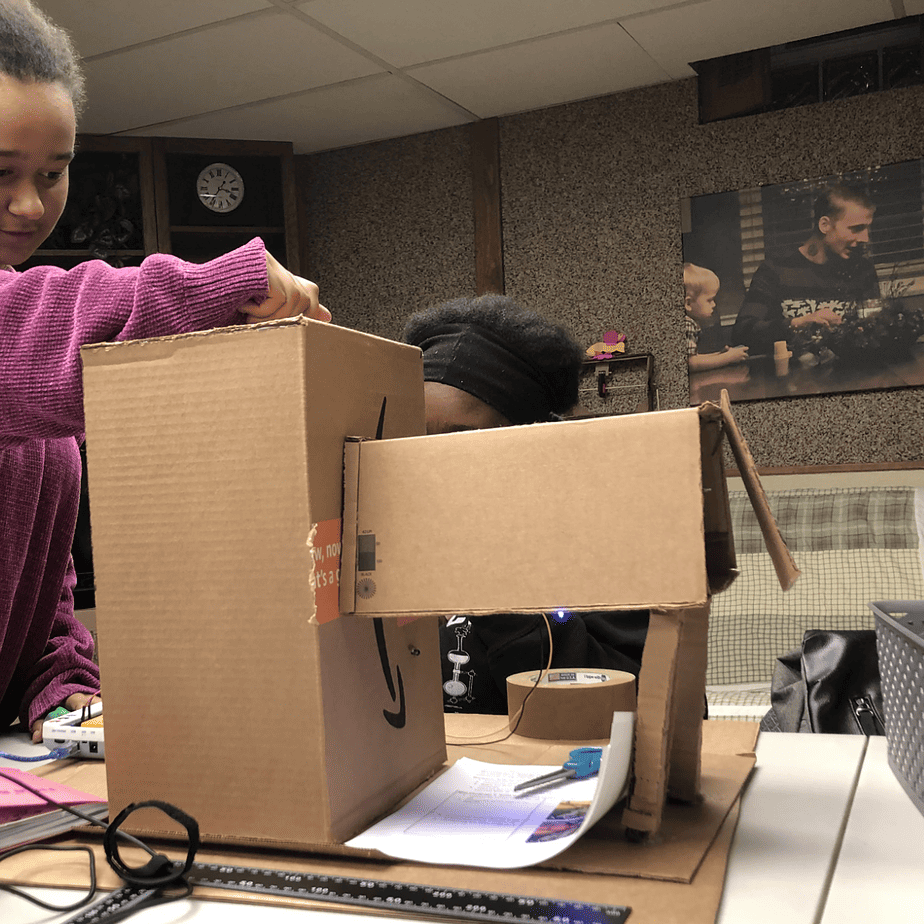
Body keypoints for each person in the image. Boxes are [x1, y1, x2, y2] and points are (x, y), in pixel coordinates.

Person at [0, 0, 329, 743]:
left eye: (53, 174)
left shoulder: (38, 412)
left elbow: (42, 596)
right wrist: (219, 285)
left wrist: (66, 691)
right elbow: (36, 328)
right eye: (2, 172)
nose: (29, 204)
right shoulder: (21, 339)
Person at [402, 294, 649, 714]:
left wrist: (498, 590)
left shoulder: (606, 545)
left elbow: (642, 704)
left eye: (463, 442)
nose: (435, 467)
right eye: (416, 442)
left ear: (530, 444)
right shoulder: (387, 539)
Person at [732, 183, 880, 354]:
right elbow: (742, 333)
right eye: (856, 229)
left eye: (867, 228)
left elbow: (876, 333)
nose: (865, 238)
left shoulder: (862, 270)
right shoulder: (775, 270)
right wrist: (797, 323)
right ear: (825, 225)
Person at [683, 263, 749, 371]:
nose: (714, 304)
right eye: (709, 300)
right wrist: (728, 358)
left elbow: (694, 358)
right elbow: (691, 364)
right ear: (688, 303)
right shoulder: (687, 325)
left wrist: (719, 355)